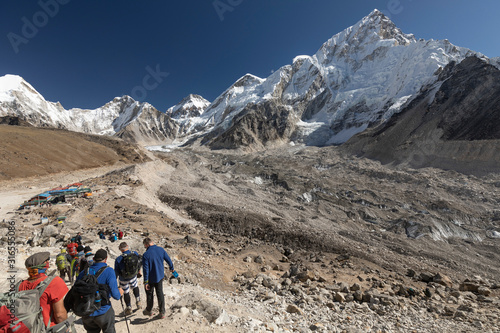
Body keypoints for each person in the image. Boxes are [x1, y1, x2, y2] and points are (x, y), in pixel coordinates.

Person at [75, 249, 123, 333]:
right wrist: (120, 292)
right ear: (106, 258)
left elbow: (76, 289)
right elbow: (116, 296)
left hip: (87, 311)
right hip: (103, 310)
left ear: (94, 259)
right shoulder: (109, 271)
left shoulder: (84, 272)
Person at [18, 252, 69, 328]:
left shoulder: (20, 285)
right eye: (47, 261)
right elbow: (59, 315)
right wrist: (66, 328)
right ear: (45, 265)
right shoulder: (54, 282)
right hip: (47, 329)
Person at [142, 237, 175, 319]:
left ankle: (149, 310)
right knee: (160, 293)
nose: (145, 247)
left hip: (150, 278)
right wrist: (171, 267)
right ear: (152, 242)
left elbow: (145, 270)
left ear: (146, 244)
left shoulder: (146, 255)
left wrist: (146, 282)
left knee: (149, 294)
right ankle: (162, 312)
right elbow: (168, 259)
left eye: (144, 246)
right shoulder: (161, 249)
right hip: (160, 276)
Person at [114, 242, 142, 315]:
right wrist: (139, 271)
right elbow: (139, 263)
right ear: (127, 246)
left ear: (120, 249)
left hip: (123, 278)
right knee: (135, 287)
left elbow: (116, 271)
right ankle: (138, 301)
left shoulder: (118, 259)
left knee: (126, 292)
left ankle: (129, 307)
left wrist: (114, 282)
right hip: (133, 276)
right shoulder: (135, 253)